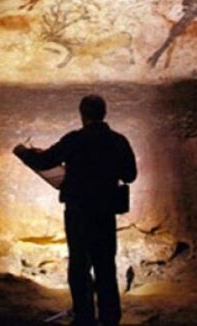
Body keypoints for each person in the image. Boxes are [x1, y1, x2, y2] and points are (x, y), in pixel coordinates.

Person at [14, 94, 137, 326]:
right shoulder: (118, 140)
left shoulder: (75, 140)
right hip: (105, 212)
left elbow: (46, 161)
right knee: (105, 266)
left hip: (79, 212)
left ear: (83, 115)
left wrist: (24, 153)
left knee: (80, 265)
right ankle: (110, 318)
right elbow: (130, 175)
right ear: (104, 113)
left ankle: (84, 317)